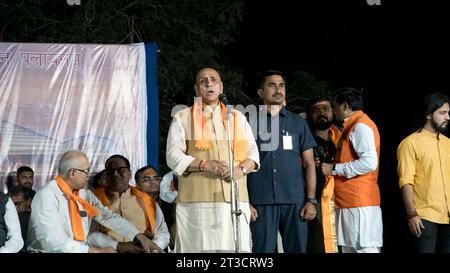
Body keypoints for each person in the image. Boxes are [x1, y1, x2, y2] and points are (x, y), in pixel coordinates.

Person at [166, 66, 260, 252]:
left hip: (235, 199)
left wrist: (240, 170)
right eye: (203, 81)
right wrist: (204, 164)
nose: (209, 83)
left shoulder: (236, 117)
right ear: (196, 89)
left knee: (236, 251)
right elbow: (172, 156)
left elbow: (253, 153)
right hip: (199, 203)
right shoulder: (182, 117)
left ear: (221, 87)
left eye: (213, 80)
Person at [26, 150, 157, 253]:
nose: (89, 176)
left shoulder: (85, 194)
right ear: (72, 173)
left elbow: (106, 217)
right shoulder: (47, 196)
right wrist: (95, 251)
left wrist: (137, 236)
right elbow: (52, 242)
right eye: (86, 171)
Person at [247, 70, 317, 253]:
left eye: (282, 85)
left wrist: (311, 200)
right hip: (260, 202)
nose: (278, 89)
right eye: (272, 85)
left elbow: (309, 164)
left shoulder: (298, 123)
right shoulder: (248, 123)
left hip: (295, 202)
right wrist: (244, 201)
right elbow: (239, 163)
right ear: (261, 92)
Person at [321, 87, 383, 253]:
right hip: (350, 202)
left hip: (359, 203)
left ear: (345, 106)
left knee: (363, 249)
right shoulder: (353, 125)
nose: (333, 112)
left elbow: (370, 162)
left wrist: (334, 168)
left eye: (334, 108)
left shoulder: (361, 126)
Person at [397, 92, 450, 253]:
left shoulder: (448, 144)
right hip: (423, 218)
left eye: (448, 113)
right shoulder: (410, 143)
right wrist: (412, 214)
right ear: (428, 114)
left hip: (447, 217)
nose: (448, 117)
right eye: (442, 113)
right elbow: (406, 181)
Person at [91, 155, 169, 253]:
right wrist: (117, 246)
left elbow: (162, 233)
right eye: (111, 171)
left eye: (121, 170)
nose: (115, 174)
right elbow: (89, 234)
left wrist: (152, 248)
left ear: (130, 174)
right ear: (106, 175)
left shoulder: (146, 200)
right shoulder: (94, 200)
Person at [306, 96, 341, 253]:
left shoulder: (342, 137)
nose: (321, 112)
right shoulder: (305, 139)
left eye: (325, 109)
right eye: (316, 110)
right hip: (318, 203)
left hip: (343, 201)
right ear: (309, 115)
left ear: (333, 112)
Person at [8, 185, 35, 251]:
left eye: (18, 204)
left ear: (28, 202)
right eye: (11, 205)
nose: (14, 208)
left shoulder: (26, 218)